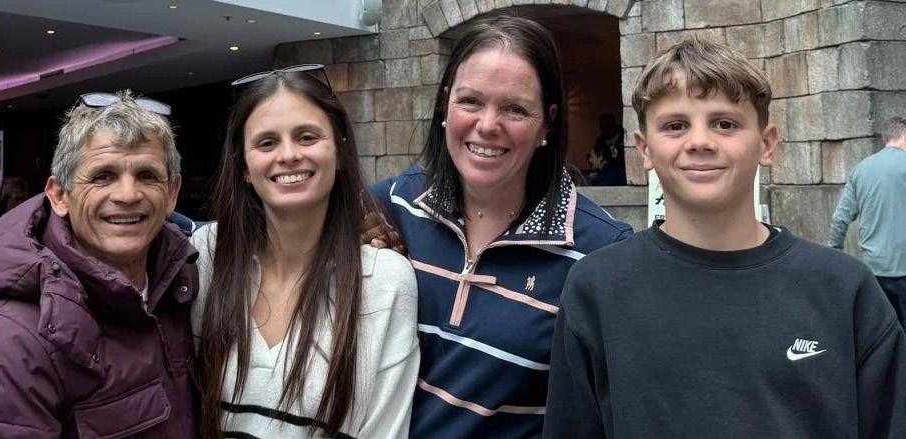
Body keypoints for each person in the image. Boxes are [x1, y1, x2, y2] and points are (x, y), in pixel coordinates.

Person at [544, 38, 906, 438]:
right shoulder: (598, 288)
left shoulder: (845, 290)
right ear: (644, 150)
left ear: (766, 143)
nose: (700, 142)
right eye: (675, 126)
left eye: (725, 124)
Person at [371, 15, 632, 438]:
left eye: (515, 109)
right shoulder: (393, 204)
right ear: (445, 104)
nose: (488, 125)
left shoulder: (601, 253)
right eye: (470, 101)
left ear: (547, 122)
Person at [0, 90, 198, 438]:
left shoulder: (181, 291)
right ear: (58, 195)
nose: (128, 195)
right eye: (102, 176)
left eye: (147, 175)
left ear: (172, 193)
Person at [192, 66, 419, 439]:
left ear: (339, 151)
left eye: (307, 137)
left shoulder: (384, 280)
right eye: (267, 143)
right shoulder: (208, 254)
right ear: (244, 166)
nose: (289, 155)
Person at [829, 116, 906, 397]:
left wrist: (834, 252)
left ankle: (886, 390)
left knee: (886, 331)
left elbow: (841, 218)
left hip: (875, 269)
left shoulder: (861, 169)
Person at [589, 112, 626, 185]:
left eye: (606, 125)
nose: (604, 128)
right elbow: (596, 157)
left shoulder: (624, 136)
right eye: (602, 126)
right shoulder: (601, 140)